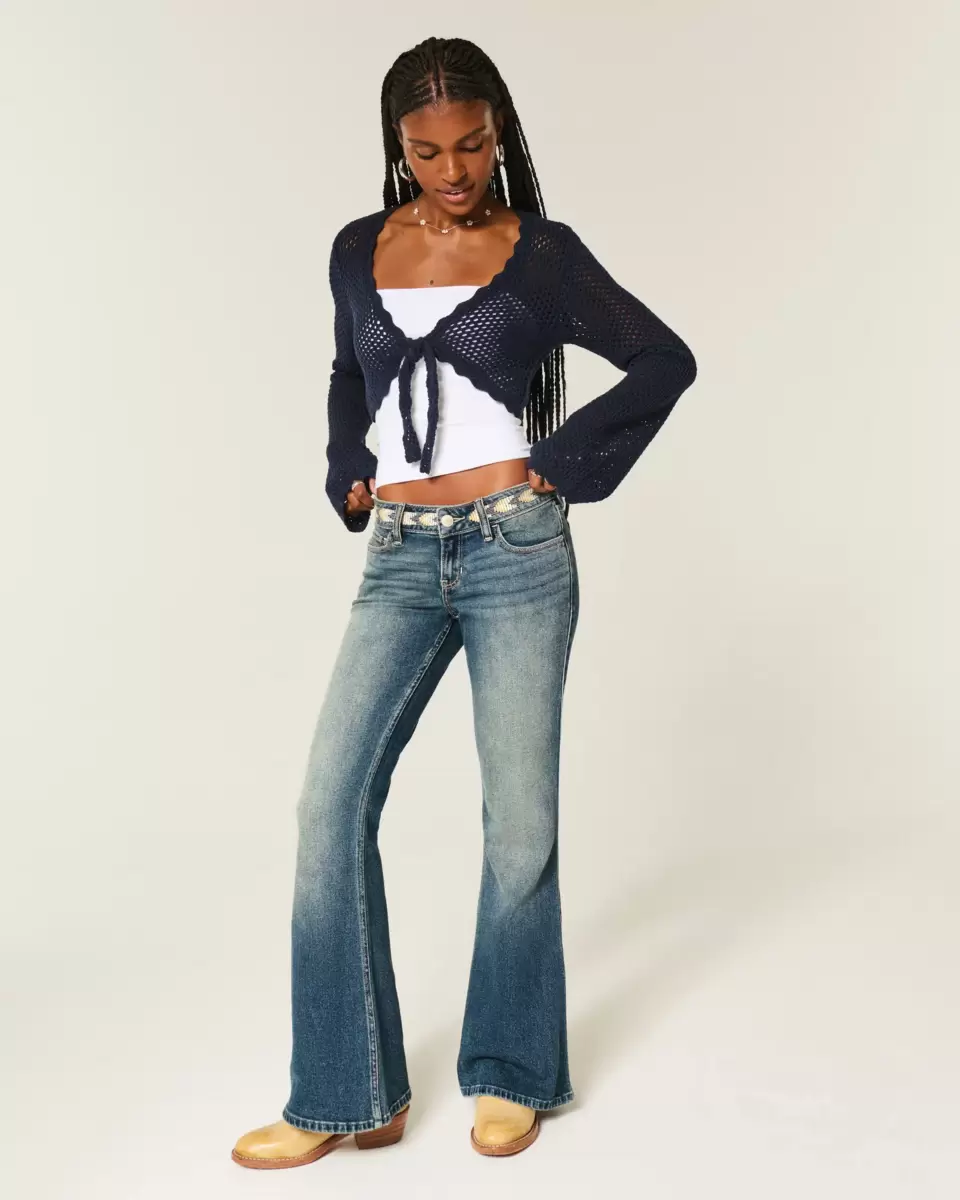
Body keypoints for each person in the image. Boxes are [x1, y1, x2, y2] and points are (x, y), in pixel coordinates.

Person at [232, 35, 696, 1168]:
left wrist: (561, 464)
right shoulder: (358, 248)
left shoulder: (542, 255)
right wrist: (348, 459)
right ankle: (345, 1093)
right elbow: (350, 371)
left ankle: (512, 1069)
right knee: (328, 808)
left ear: (501, 135)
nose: (453, 170)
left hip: (515, 549)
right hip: (400, 553)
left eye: (474, 146)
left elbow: (663, 358)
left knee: (518, 824)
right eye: (428, 150)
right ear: (399, 146)